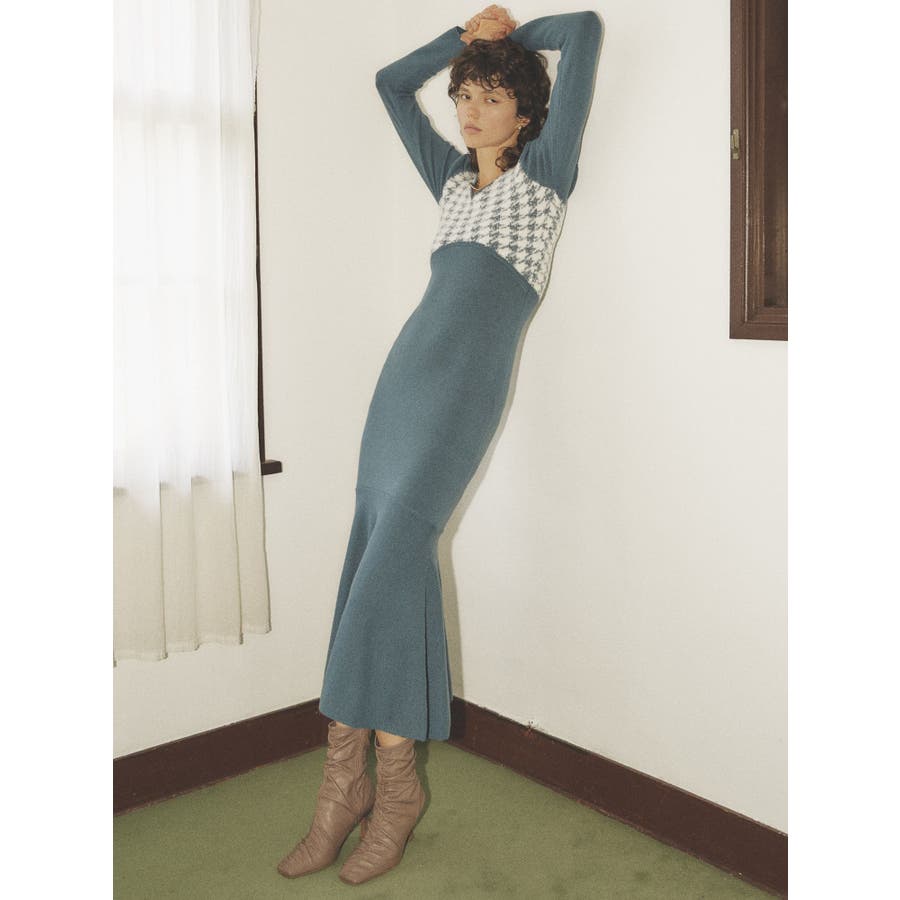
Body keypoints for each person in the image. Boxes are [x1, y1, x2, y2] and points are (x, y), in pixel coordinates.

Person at [277, 5, 603, 886]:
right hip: (401, 382)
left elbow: (585, 31)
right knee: (372, 557)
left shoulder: (547, 176)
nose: (470, 110)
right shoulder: (452, 182)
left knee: (393, 563)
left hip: (459, 394)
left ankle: (376, 791)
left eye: (491, 97)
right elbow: (390, 86)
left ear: (526, 113)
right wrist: (460, 42)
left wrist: (509, 37)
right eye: (465, 95)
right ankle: (362, 784)